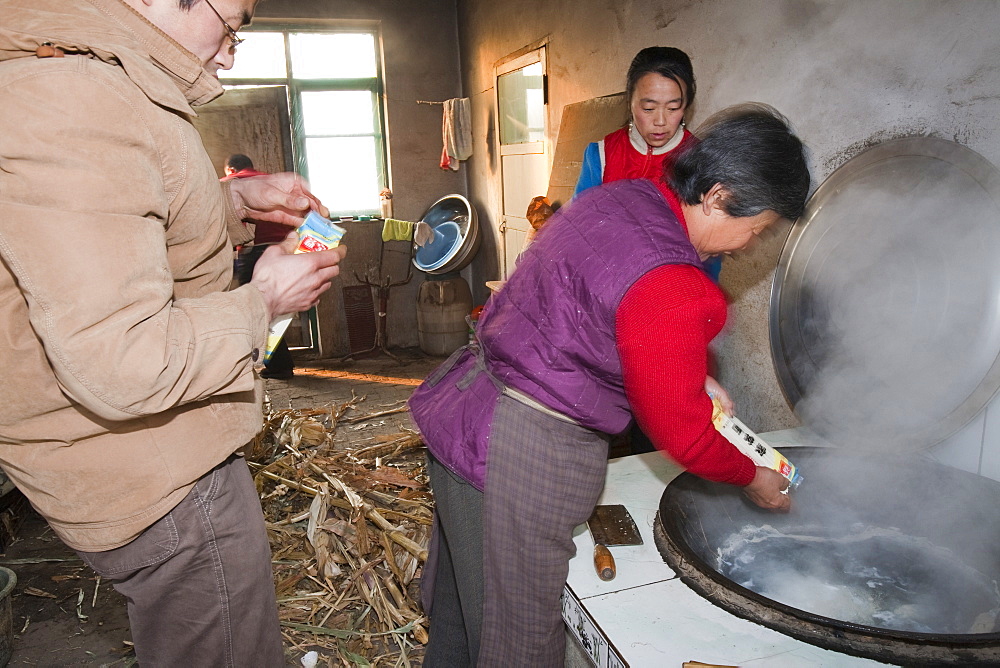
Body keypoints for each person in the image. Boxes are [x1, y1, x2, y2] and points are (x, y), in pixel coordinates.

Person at [0, 0, 347, 665]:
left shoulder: (87, 71)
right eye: (235, 22)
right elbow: (122, 360)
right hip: (162, 481)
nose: (229, 49)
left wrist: (237, 202)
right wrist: (263, 301)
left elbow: (118, 211)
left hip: (149, 458)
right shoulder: (75, 95)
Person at [409, 104, 810, 667]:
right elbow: (686, 436)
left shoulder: (622, 199)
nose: (747, 244)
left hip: (466, 415)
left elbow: (596, 315)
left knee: (461, 614)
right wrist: (752, 476)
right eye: (756, 228)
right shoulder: (674, 284)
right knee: (518, 641)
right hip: (523, 452)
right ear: (719, 196)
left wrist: (690, 377)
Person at [574, 47, 723, 281]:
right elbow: (579, 231)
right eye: (649, 108)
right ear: (630, 102)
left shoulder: (701, 161)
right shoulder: (601, 155)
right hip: (609, 291)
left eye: (673, 108)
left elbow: (711, 253)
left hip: (674, 295)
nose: (661, 121)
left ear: (687, 105)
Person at [222, 154, 297, 379]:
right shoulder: (271, 180)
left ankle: (279, 365)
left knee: (257, 309)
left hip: (261, 251)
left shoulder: (230, 183)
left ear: (231, 169)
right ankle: (281, 363)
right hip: (290, 250)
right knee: (274, 309)